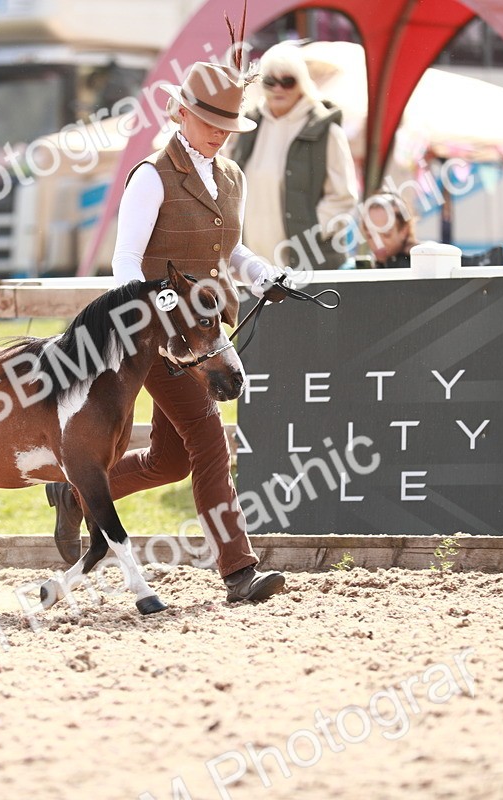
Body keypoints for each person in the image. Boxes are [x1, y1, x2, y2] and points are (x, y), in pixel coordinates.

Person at [46, 61, 291, 604]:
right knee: (207, 440)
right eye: (210, 121)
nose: (220, 133)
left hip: (205, 336)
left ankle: (75, 492)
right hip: (157, 339)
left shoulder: (232, 177)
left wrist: (264, 275)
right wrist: (161, 312)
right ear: (180, 112)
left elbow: (232, 252)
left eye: (229, 125)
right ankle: (239, 571)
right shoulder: (152, 175)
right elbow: (125, 263)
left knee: (171, 459)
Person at [226, 43, 358, 271]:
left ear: (302, 83)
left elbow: (343, 198)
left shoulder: (326, 131)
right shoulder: (246, 127)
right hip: (252, 267)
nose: (278, 88)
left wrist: (310, 232)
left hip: (309, 265)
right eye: (270, 81)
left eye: (288, 81)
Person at [358, 192, 418, 268]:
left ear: (404, 230)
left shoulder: (428, 261)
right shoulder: (356, 267)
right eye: (370, 236)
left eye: (386, 235)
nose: (377, 244)